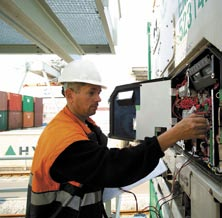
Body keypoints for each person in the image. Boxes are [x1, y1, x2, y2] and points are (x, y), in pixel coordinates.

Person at [25, 59, 209, 218]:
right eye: (91, 92)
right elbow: (113, 166)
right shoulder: (63, 138)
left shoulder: (80, 125)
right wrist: (173, 135)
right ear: (70, 95)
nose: (98, 98)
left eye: (98, 92)